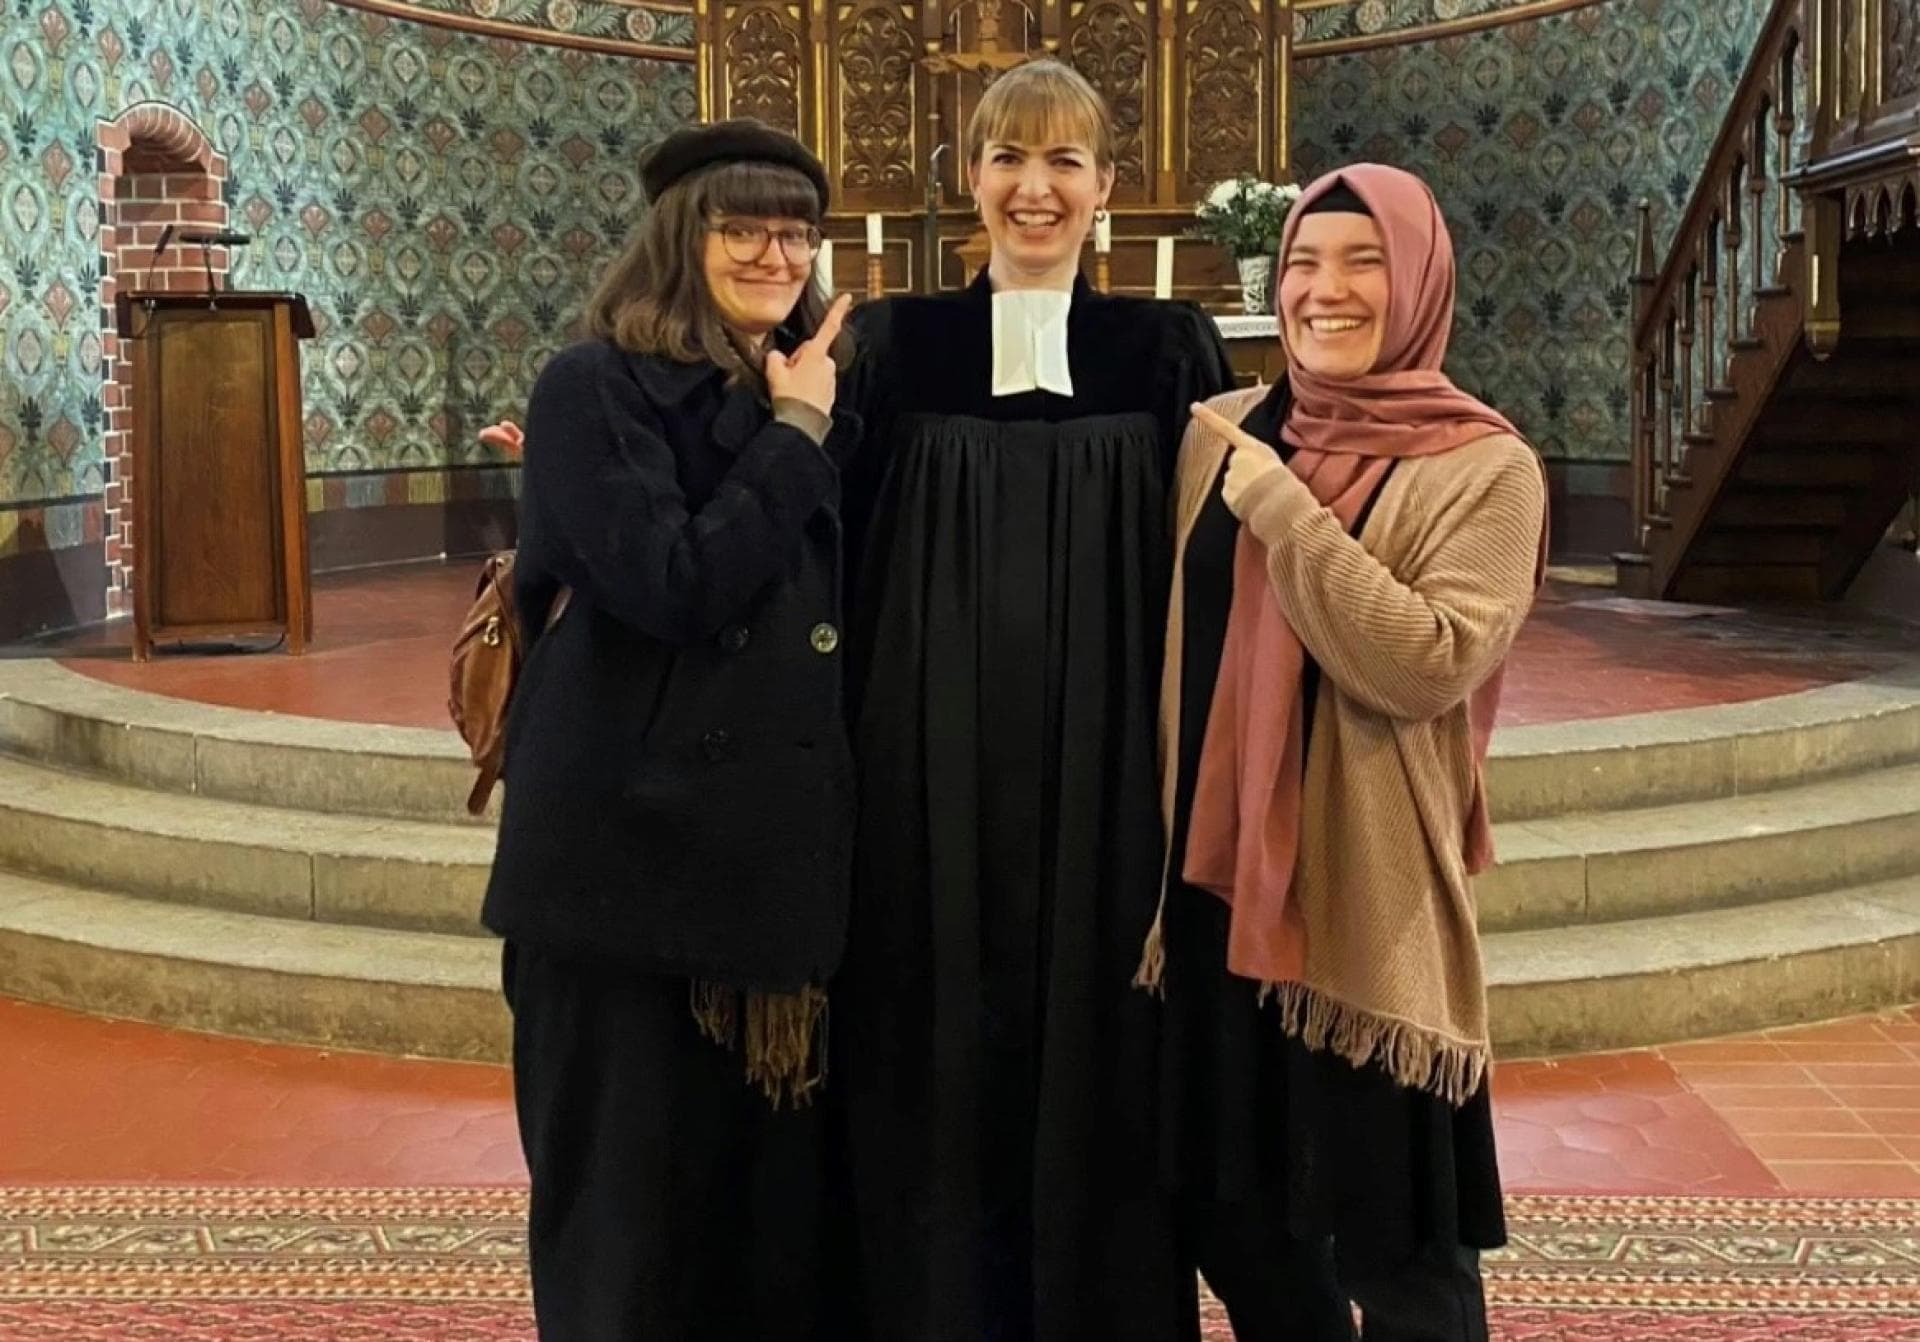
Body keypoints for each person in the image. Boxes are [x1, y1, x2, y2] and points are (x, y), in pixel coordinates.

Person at [832, 58, 1236, 1342]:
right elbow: (826, 527)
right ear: (970, 178)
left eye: (1065, 161)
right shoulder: (897, 343)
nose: (1034, 187)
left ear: (1107, 187)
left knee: (1099, 1011)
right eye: (1009, 157)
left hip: (1111, 756)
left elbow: (1222, 555)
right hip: (922, 755)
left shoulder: (1163, 348)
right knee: (931, 1008)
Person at [1138, 162, 1547, 1342]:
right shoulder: (1221, 432)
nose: (1328, 290)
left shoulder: (1487, 468)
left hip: (1365, 912)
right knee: (1235, 1220)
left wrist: (1284, 511)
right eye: (1306, 263)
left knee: (1403, 1255)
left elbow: (1423, 660)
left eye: (1364, 261)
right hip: (1222, 893)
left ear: (1418, 280)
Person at [480, 119, 859, 1342]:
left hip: (767, 885)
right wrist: (794, 434)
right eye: (741, 225)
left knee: (763, 1233)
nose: (773, 252)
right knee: (625, 1231)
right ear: (677, 237)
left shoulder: (806, 385)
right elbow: (677, 584)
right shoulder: (594, 383)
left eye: (796, 231)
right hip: (624, 882)